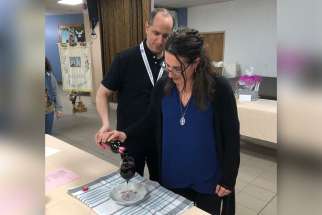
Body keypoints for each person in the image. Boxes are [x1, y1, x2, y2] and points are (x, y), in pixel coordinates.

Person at [100, 27, 240, 215]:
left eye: (177, 68)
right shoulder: (163, 86)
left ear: (196, 63)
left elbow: (231, 137)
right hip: (172, 175)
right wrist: (125, 133)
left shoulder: (218, 89)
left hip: (207, 180)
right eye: (167, 65)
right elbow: (150, 120)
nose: (171, 73)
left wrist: (228, 178)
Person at [95, 8, 174, 181]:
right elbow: (102, 94)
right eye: (156, 33)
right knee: (131, 184)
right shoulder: (124, 59)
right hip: (129, 137)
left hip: (161, 138)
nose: (160, 41)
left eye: (166, 36)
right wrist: (105, 123)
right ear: (147, 27)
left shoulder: (172, 64)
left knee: (162, 184)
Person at [45, 57, 63, 134]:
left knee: (48, 134)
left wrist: (59, 109)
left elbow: (56, 93)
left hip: (48, 110)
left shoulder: (50, 76)